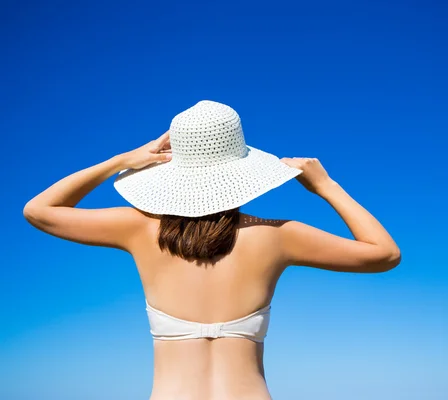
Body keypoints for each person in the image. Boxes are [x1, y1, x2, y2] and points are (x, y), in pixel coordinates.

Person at [23, 100, 401, 400]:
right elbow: (384, 253)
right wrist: (326, 186)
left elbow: (39, 211)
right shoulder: (277, 236)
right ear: (243, 169)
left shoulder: (138, 229)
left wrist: (121, 161)